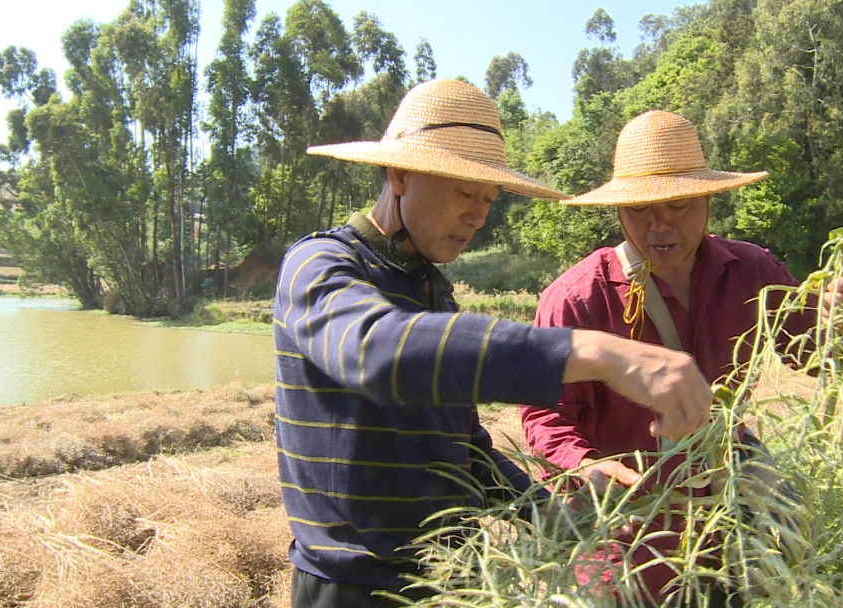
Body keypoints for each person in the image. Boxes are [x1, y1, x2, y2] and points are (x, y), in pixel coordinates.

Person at [273, 81, 717, 608]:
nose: (479, 216)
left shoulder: (431, 294)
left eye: (488, 199)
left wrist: (550, 512)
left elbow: (460, 448)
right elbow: (379, 352)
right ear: (399, 173)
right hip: (354, 588)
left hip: (449, 582)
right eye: (465, 193)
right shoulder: (320, 266)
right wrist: (598, 353)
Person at [520, 110, 843, 605]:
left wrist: (842, 324)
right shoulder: (579, 298)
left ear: (707, 200)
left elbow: (818, 357)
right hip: (630, 536)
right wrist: (588, 469)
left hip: (730, 529)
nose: (660, 225)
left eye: (677, 204)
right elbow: (545, 416)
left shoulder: (752, 272)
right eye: (640, 210)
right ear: (618, 212)